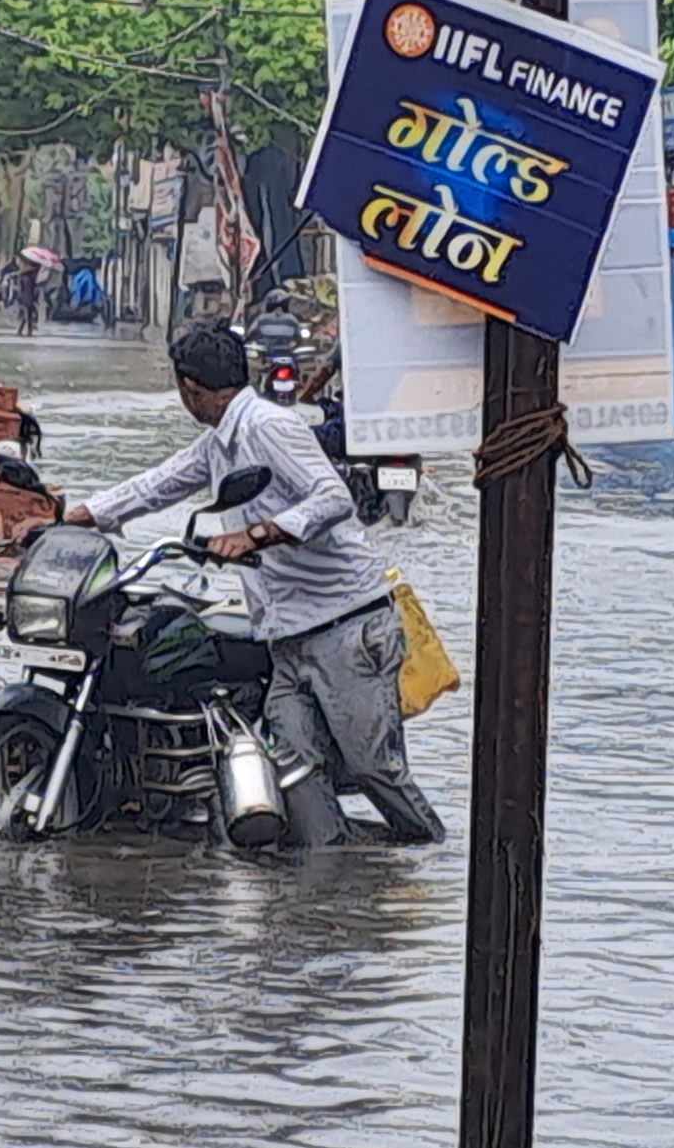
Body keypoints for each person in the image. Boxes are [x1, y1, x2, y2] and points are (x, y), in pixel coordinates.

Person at [58, 322, 442, 843]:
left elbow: (333, 499)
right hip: (287, 633)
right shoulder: (222, 440)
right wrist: (77, 516)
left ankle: (432, 858)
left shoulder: (267, 426)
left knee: (375, 769)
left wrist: (257, 534)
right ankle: (330, 886)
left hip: (346, 627)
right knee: (297, 775)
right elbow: (161, 482)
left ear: (189, 388)